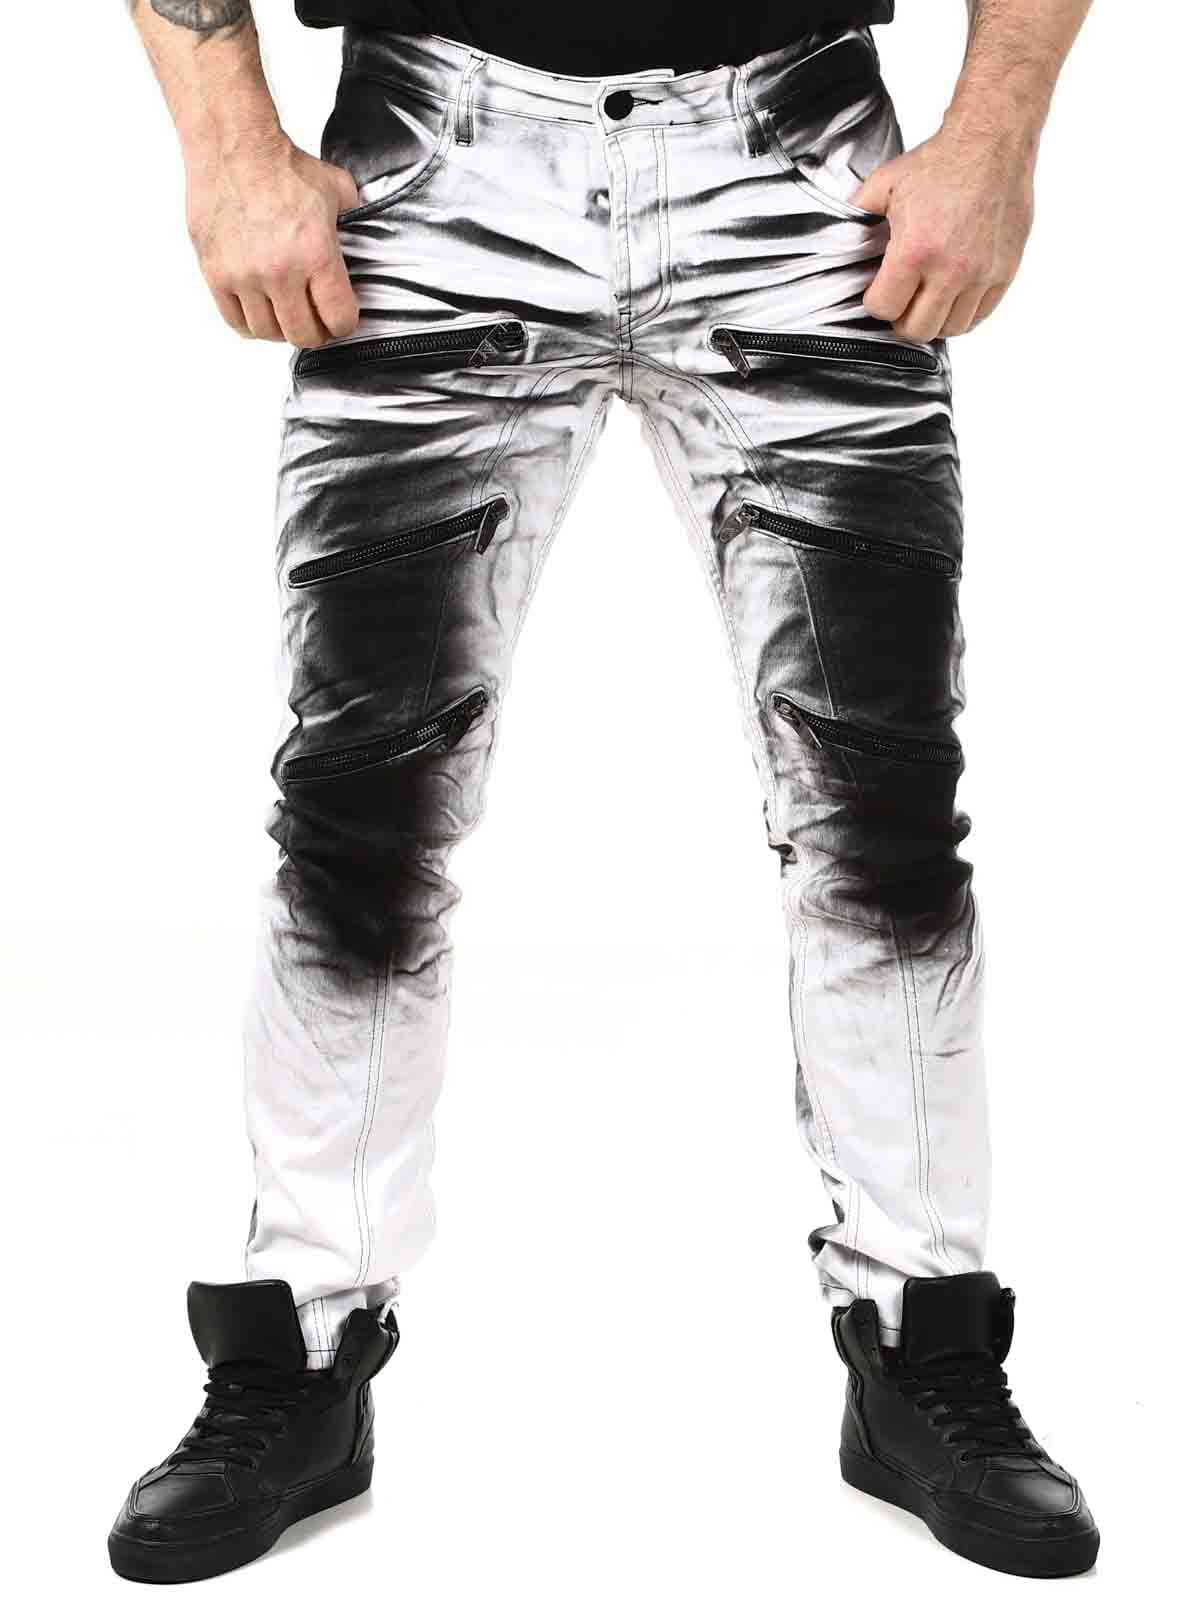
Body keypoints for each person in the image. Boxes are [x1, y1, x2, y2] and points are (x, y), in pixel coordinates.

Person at [110, 1, 1098, 1584]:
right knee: (362, 815)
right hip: (431, 168)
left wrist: (993, 136)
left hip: (797, 164)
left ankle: (924, 1341)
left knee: (880, 809)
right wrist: (226, 141)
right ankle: (298, 1354)